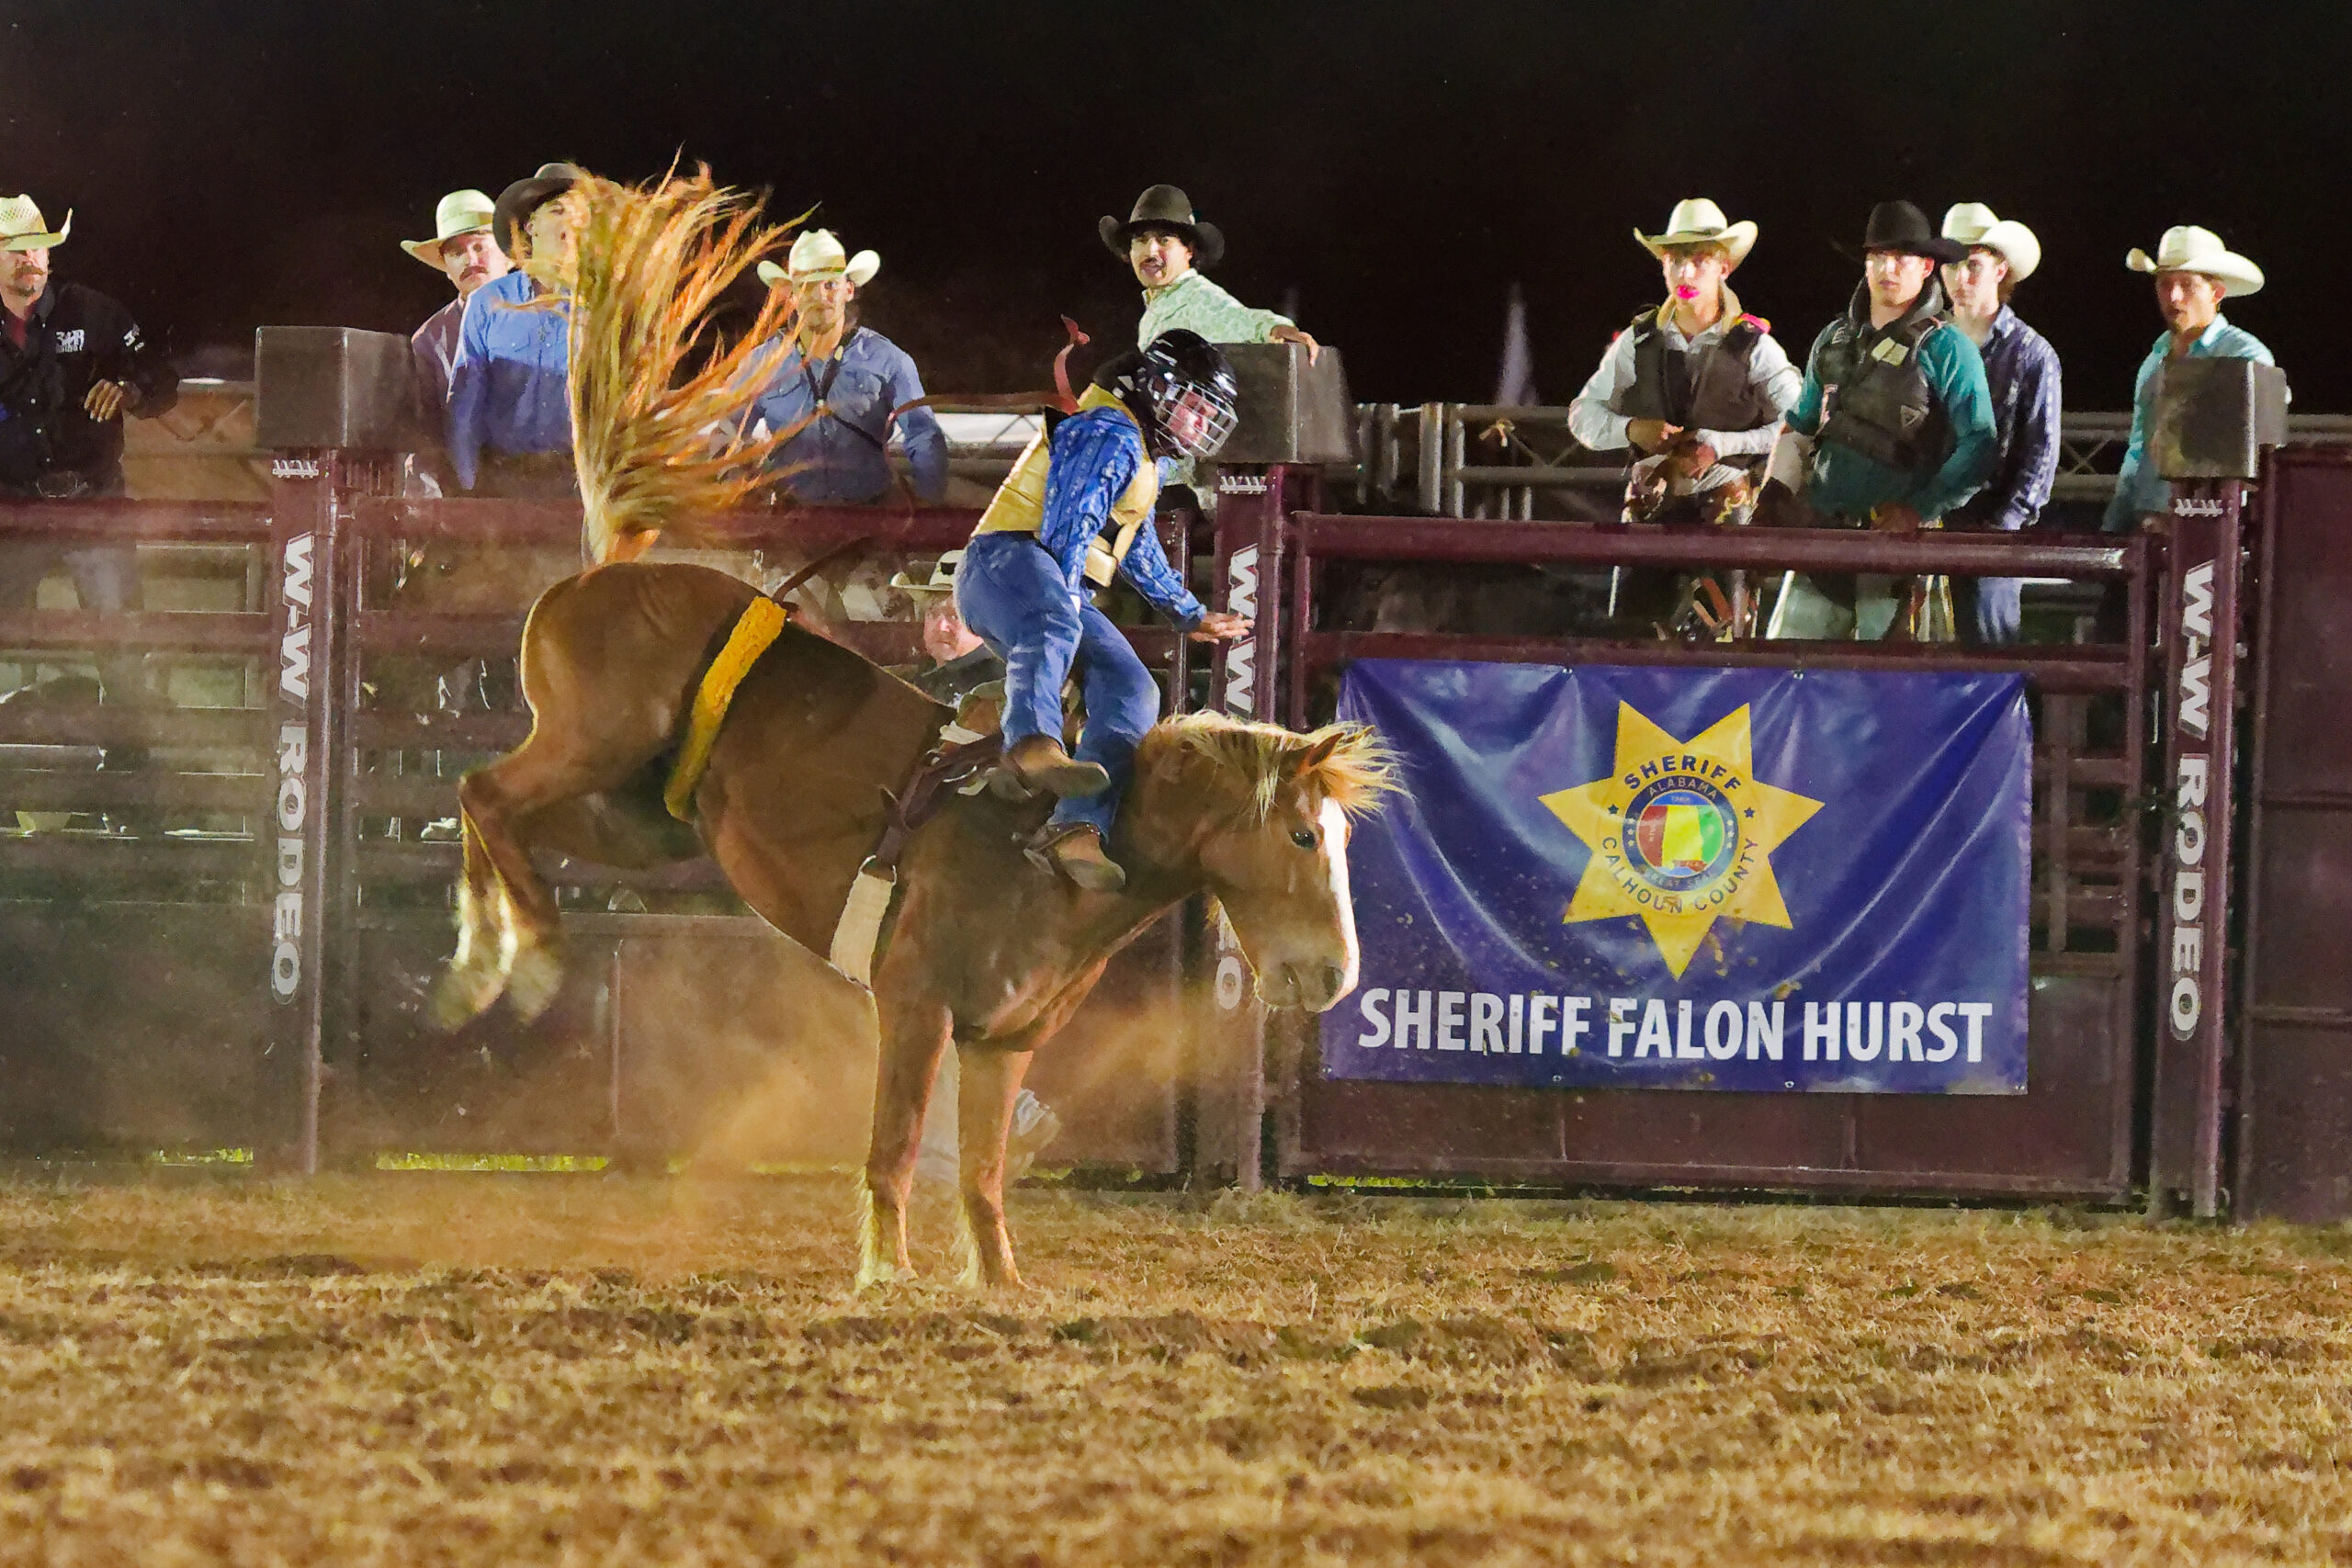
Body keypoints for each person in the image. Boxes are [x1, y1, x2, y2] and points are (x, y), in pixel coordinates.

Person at [955, 330, 1250, 892]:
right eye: (1192, 405)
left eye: (1206, 412)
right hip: (1005, 563)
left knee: (1135, 689)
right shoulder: (1109, 431)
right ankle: (1032, 746)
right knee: (1058, 620)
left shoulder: (1143, 452)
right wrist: (1068, 597)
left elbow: (1129, 540)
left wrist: (1188, 612)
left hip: (1039, 582)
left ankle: (1079, 827)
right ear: (1157, 388)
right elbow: (1069, 524)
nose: (1198, 423)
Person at [1567, 198, 1801, 636]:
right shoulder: (1637, 342)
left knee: (1726, 642)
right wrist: (1630, 429)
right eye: (1675, 261)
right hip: (1650, 508)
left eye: (1698, 261)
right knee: (1631, 637)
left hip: (1725, 508)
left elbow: (1797, 423)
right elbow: (1582, 415)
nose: (1686, 274)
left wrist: (1722, 446)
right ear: (1663, 268)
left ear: (1723, 269)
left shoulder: (1755, 347)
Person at [1768, 201, 1996, 641]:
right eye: (1877, 256)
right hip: (1823, 539)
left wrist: (1919, 509)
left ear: (1927, 265)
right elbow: (1800, 426)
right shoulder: (1833, 338)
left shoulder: (1948, 348)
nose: (1887, 268)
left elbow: (1981, 443)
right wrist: (1774, 494)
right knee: (1787, 672)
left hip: (1902, 556)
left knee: (1901, 690)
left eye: (1901, 257)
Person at [0, 194, 180, 732]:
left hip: (92, 499)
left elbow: (160, 376)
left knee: (120, 641)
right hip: (11, 507)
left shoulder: (93, 312)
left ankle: (125, 769)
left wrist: (130, 388)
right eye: (14, 248)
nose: (29, 259)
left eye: (38, 247)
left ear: (51, 257)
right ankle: (13, 780)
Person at [741, 229, 947, 505]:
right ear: (790, 295)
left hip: (872, 518)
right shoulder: (760, 364)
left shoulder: (888, 359)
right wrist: (740, 488)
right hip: (787, 522)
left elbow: (924, 436)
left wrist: (927, 502)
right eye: (806, 286)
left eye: (830, 285)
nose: (819, 295)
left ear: (848, 290)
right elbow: (728, 433)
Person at [1939, 204, 2061, 646]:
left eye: (1972, 266)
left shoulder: (2031, 353)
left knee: (1989, 657)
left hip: (1991, 528)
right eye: (1951, 265)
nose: (1959, 277)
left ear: (1999, 270)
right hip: (1929, 523)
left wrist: (2004, 526)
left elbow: (2040, 454)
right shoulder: (1928, 341)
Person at [2103, 226, 2273, 535]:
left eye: (2187, 285)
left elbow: (2264, 452)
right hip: (2147, 527)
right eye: (2165, 284)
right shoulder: (2155, 358)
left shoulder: (2246, 356)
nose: (2174, 296)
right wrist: (2117, 523)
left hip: (2213, 529)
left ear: (2216, 292)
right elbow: (2138, 451)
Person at [447, 163, 582, 499]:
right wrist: (465, 491)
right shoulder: (487, 303)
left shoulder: (603, 309)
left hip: (578, 487)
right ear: (530, 225)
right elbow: (465, 406)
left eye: (583, 215)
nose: (572, 223)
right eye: (559, 211)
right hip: (501, 481)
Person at [1104, 185, 1319, 359]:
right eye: (1141, 240)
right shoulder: (1159, 305)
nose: (1150, 251)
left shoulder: (1197, 298)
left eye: (1164, 240)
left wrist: (1276, 330)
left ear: (1189, 250)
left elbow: (1241, 319)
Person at [402, 189, 510, 437]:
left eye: (479, 246)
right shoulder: (429, 341)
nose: (470, 260)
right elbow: (426, 441)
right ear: (446, 269)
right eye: (456, 252)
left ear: (508, 254)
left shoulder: (550, 314)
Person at [888, 552, 1003, 706]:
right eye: (933, 614)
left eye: (955, 616)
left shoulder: (1000, 684)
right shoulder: (918, 674)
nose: (942, 627)